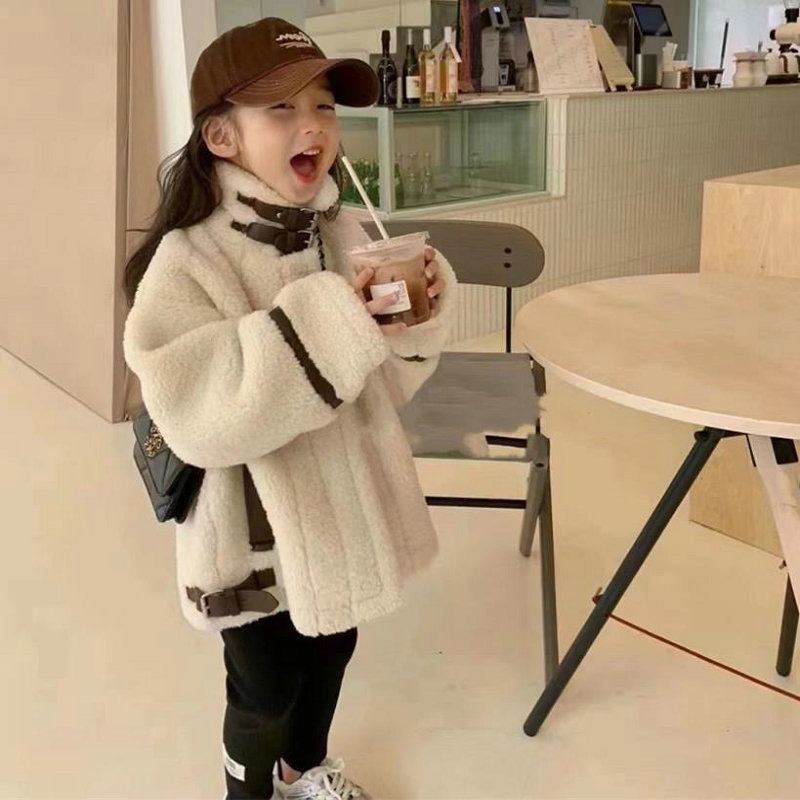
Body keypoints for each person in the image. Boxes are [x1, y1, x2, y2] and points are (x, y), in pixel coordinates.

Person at [122, 17, 457, 800]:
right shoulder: (188, 259)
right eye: (281, 108)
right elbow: (194, 410)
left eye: (325, 106)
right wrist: (335, 323)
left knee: (332, 650)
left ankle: (304, 773)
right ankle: (246, 792)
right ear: (222, 137)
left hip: (344, 508)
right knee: (265, 686)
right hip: (254, 538)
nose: (314, 125)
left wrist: (410, 318)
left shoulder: (339, 231)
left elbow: (383, 387)